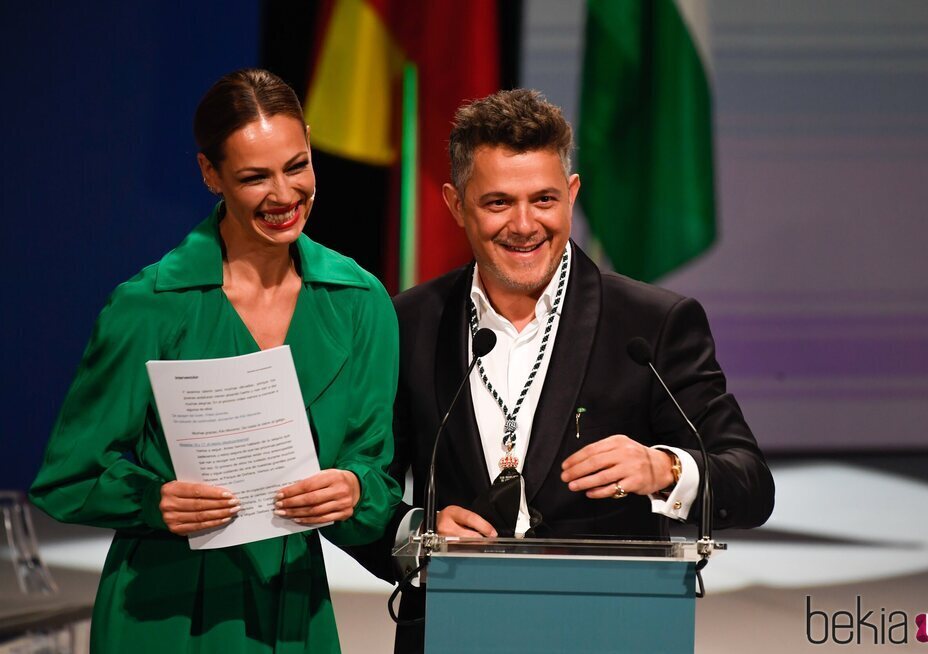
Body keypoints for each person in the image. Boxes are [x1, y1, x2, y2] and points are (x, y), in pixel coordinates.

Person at [348, 88, 775, 651]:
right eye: (498, 202)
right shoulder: (410, 321)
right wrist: (416, 535)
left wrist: (664, 469)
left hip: (612, 629)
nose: (525, 225)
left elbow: (750, 483)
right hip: (454, 627)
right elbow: (364, 489)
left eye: (544, 200)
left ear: (572, 195)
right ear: (456, 204)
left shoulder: (652, 323)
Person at [29, 69, 402, 653]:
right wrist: (152, 500)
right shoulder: (148, 305)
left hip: (294, 606)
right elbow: (69, 478)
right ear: (211, 174)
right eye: (255, 177)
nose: (284, 196)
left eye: (297, 165)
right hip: (165, 609)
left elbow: (375, 470)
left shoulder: (360, 301)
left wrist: (353, 490)